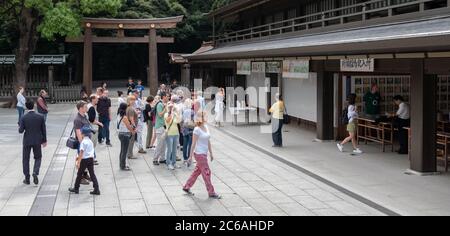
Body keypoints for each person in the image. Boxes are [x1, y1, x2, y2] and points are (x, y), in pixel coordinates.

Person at [182, 111, 221, 199]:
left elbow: (208, 140)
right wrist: (190, 156)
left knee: (197, 172)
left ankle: (186, 186)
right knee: (207, 172)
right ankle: (211, 192)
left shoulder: (206, 127)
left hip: (204, 153)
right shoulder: (197, 129)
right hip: (199, 154)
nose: (207, 118)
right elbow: (193, 144)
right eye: (205, 116)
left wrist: (211, 153)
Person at [19, 99, 47, 185]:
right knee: (38, 157)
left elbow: (21, 131)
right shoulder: (40, 117)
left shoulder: (23, 117)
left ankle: (27, 178)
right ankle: (35, 172)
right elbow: (43, 130)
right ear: (34, 105)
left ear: (26, 107)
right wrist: (44, 140)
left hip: (27, 140)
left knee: (25, 159)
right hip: (37, 140)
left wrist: (19, 126)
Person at [68, 126, 100, 195]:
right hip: (90, 159)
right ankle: (96, 189)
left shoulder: (83, 142)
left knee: (79, 174)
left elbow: (81, 152)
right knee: (92, 174)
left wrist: (78, 162)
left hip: (84, 160)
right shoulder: (90, 142)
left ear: (83, 134)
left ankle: (76, 188)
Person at [73, 100, 92, 185]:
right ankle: (80, 178)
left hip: (87, 142)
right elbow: (78, 133)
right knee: (81, 160)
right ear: (81, 108)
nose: (87, 108)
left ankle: (84, 174)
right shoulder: (77, 119)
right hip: (82, 143)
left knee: (86, 160)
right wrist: (82, 145)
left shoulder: (84, 116)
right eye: (85, 107)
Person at [117, 103, 136, 171]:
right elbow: (128, 127)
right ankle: (123, 166)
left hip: (121, 134)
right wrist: (133, 130)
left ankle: (121, 165)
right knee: (124, 151)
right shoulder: (124, 117)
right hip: (125, 135)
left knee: (122, 150)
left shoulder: (119, 115)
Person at [87, 94, 103, 165]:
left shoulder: (90, 106)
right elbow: (91, 120)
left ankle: (93, 158)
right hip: (92, 129)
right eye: (97, 98)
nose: (98, 100)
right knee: (92, 144)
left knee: (91, 144)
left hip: (90, 128)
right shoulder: (91, 108)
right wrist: (99, 123)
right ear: (93, 99)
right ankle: (91, 159)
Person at [153, 92, 169, 165]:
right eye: (167, 96)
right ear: (163, 97)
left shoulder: (164, 104)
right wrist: (165, 108)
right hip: (159, 126)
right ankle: (155, 159)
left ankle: (162, 158)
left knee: (164, 144)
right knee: (159, 144)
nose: (168, 98)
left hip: (164, 126)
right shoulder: (159, 104)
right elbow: (160, 115)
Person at [164, 102, 180, 170]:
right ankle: (168, 163)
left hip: (176, 133)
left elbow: (178, 121)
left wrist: (176, 113)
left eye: (172, 107)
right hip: (169, 134)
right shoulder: (166, 114)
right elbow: (167, 121)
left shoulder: (175, 114)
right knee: (169, 149)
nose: (171, 108)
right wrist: (171, 114)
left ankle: (174, 162)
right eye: (170, 107)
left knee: (174, 149)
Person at [181, 98, 195, 166]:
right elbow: (194, 120)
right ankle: (190, 158)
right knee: (190, 144)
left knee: (185, 144)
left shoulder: (184, 111)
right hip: (190, 129)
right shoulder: (192, 111)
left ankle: (185, 158)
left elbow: (182, 119)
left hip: (184, 128)